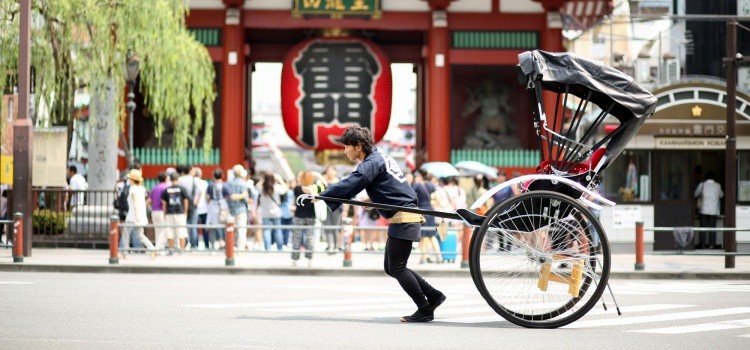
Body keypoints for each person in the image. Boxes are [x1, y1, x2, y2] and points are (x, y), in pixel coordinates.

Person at [307, 126, 445, 323]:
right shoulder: (379, 157)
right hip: (403, 215)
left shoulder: (372, 162)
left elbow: (353, 182)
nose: (345, 151)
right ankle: (433, 295)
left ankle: (425, 308)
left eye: (347, 146)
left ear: (359, 146)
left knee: (397, 267)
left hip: (405, 217)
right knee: (392, 267)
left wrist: (322, 195)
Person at [120, 169, 155, 258]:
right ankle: (152, 249)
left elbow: (135, 204)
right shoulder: (142, 189)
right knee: (140, 235)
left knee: (126, 235)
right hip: (140, 216)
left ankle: (125, 252)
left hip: (132, 216)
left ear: (132, 180)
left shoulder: (133, 189)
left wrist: (137, 216)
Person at [292, 171, 321, 266]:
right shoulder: (314, 188)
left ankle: (295, 259)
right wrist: (317, 175)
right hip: (310, 216)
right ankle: (309, 259)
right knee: (310, 238)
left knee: (297, 237)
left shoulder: (297, 189)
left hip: (299, 215)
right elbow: (315, 199)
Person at [257, 172, 289, 251]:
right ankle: (279, 248)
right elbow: (285, 188)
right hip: (276, 213)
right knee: (277, 230)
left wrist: (263, 179)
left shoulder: (262, 189)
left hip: (265, 213)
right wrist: (279, 179)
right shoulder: (276, 187)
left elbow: (256, 186)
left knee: (266, 231)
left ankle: (267, 248)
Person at [694, 171, 723, 249]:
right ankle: (712, 244)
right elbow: (721, 195)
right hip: (714, 210)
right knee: (712, 228)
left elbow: (695, 194)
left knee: (703, 228)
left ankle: (703, 245)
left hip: (703, 209)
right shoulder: (718, 185)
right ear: (715, 177)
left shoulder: (702, 184)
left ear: (706, 177)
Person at [161, 173, 190, 252]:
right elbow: (185, 201)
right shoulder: (182, 188)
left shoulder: (166, 189)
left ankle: (171, 250)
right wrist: (185, 212)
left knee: (170, 232)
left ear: (170, 179)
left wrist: (164, 214)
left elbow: (164, 204)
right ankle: (182, 250)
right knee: (182, 232)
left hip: (169, 213)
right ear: (178, 179)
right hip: (180, 213)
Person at [226, 165, 252, 251]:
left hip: (230, 209)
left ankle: (231, 247)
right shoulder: (243, 183)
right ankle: (240, 248)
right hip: (241, 209)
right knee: (241, 229)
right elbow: (245, 197)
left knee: (230, 229)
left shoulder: (228, 183)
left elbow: (227, 196)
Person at [206, 168, 228, 250]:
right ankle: (222, 242)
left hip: (213, 207)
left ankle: (213, 245)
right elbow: (228, 196)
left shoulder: (210, 185)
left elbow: (207, 198)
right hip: (223, 207)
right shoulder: (225, 185)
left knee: (212, 226)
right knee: (223, 226)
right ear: (222, 176)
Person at [147, 172, 170, 254]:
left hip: (154, 211)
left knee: (157, 231)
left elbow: (149, 201)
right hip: (162, 211)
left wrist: (151, 209)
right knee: (164, 231)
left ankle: (159, 249)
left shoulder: (154, 188)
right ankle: (158, 249)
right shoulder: (167, 187)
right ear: (166, 178)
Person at [322, 166, 343, 253]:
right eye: (328, 170)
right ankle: (329, 245)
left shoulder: (339, 181)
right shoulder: (323, 182)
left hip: (337, 208)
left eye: (332, 170)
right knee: (327, 227)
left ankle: (336, 246)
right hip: (325, 207)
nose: (330, 172)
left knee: (336, 227)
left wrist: (345, 210)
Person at [192, 167, 209, 250]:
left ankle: (195, 245)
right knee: (205, 227)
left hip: (194, 208)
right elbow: (207, 196)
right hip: (204, 208)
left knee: (194, 227)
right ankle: (206, 245)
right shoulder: (205, 183)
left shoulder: (191, 182)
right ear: (200, 174)